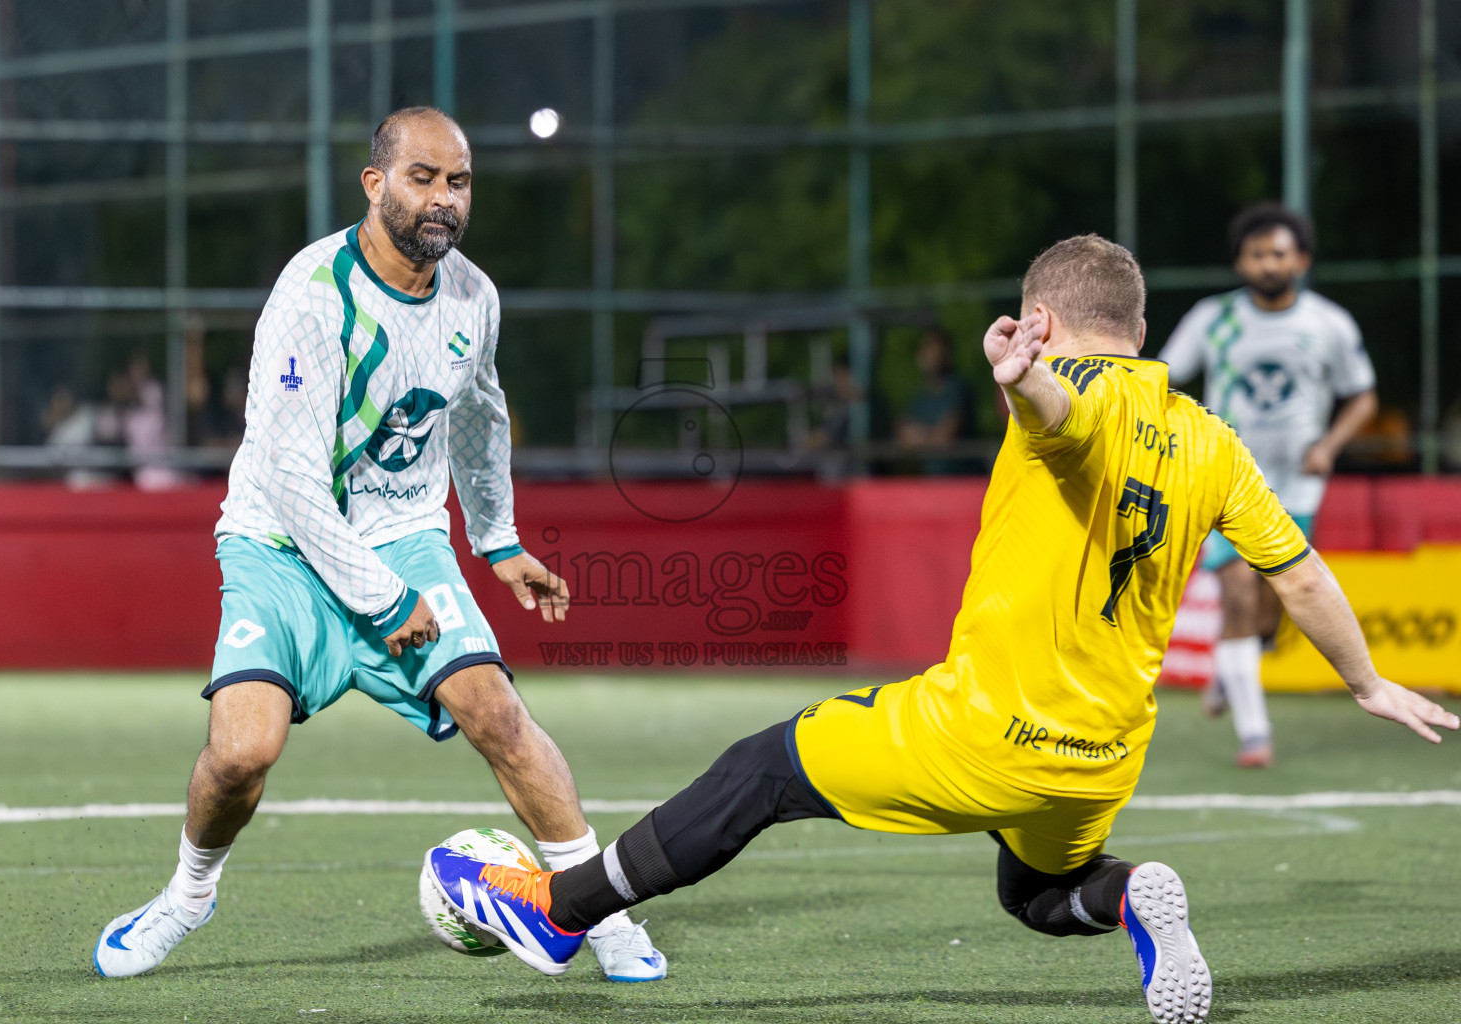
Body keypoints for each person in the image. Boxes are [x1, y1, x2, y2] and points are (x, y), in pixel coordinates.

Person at [423, 236, 1456, 1024]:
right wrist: (1365, 681)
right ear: (1140, 326)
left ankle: (562, 910)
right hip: (1103, 757)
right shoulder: (1210, 439)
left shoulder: (1068, 395)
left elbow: (1067, 421)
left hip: (986, 732)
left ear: (1041, 318)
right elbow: (1301, 572)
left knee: (763, 769)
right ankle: (1135, 894)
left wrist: (1027, 382)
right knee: (1039, 892)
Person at [92, 107, 665, 983]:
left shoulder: (474, 296)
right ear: (376, 184)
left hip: (401, 535)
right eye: (423, 178)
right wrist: (385, 601)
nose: (443, 199)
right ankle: (187, 897)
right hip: (281, 542)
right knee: (243, 752)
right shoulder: (314, 293)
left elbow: (478, 418)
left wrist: (499, 539)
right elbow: (288, 477)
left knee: (498, 712)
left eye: (459, 182)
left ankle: (601, 912)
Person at [1158, 203, 1377, 767]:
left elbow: (1363, 396)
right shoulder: (1213, 318)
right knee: (1237, 593)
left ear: (1300, 259)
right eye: (1256, 254)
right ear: (1240, 261)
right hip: (1227, 476)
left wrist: (1328, 445)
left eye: (1279, 253)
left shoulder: (1329, 323)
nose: (1267, 263)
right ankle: (1255, 734)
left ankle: (1235, 668)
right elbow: (1163, 378)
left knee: (1272, 607)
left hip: (1297, 484)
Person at [895, 327, 975, 473]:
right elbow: (903, 435)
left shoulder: (959, 388)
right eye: (921, 347)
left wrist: (919, 438)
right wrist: (931, 437)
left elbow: (945, 438)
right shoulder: (920, 396)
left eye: (930, 346)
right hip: (931, 484)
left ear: (946, 352)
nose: (924, 353)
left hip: (961, 482)